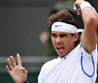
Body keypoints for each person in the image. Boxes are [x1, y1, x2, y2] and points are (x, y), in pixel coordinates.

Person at [6, 0, 98, 83]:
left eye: (63, 35)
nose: (57, 41)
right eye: (54, 35)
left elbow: (91, 19)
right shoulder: (46, 69)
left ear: (75, 37)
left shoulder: (85, 54)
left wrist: (82, 3)